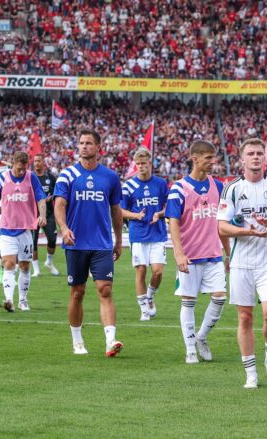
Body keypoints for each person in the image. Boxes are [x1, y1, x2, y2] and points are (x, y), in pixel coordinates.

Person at [218, 139, 267, 388]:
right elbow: (222, 226)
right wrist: (249, 232)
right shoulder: (231, 189)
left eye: (259, 153)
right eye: (250, 153)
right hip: (242, 263)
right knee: (245, 317)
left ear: (265, 158)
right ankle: (250, 372)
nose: (255, 157)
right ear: (241, 159)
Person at [54, 129, 124, 357]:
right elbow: (59, 205)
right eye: (81, 143)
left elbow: (116, 210)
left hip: (102, 243)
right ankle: (77, 341)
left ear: (98, 148)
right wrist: (64, 229)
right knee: (77, 293)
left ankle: (110, 340)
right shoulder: (67, 175)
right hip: (76, 243)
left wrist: (119, 239)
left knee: (105, 289)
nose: (84, 146)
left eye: (89, 143)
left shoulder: (111, 177)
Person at [166, 140, 230, 365]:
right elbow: (173, 222)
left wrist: (228, 253)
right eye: (208, 158)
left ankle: (201, 337)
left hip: (213, 254)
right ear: (195, 158)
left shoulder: (219, 186)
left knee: (220, 299)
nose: (213, 162)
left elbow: (222, 222)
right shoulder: (179, 188)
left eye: (214, 158)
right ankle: (190, 348)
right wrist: (178, 253)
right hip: (190, 256)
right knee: (189, 301)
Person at [0, 152, 47, 312]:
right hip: (7, 228)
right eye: (19, 168)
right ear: (13, 164)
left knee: (24, 266)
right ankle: (9, 299)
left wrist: (42, 215)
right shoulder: (3, 178)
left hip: (25, 229)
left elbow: (41, 198)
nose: (22, 171)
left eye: (24, 168)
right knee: (8, 264)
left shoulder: (31, 178)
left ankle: (23, 300)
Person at [121, 147, 168, 321]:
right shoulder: (129, 185)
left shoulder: (161, 184)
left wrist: (159, 214)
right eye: (138, 164)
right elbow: (120, 210)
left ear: (150, 163)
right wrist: (136, 216)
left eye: (144, 163)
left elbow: (168, 206)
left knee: (158, 272)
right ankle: (143, 310)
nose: (141, 166)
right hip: (138, 234)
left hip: (158, 233)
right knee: (141, 271)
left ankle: (149, 296)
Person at [31, 152, 60, 277]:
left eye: (39, 160)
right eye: (35, 161)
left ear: (43, 162)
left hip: (48, 214)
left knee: (52, 239)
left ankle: (49, 262)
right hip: (33, 215)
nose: (36, 163)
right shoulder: (30, 177)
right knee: (33, 241)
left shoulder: (51, 177)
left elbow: (57, 193)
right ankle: (36, 269)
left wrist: (51, 197)